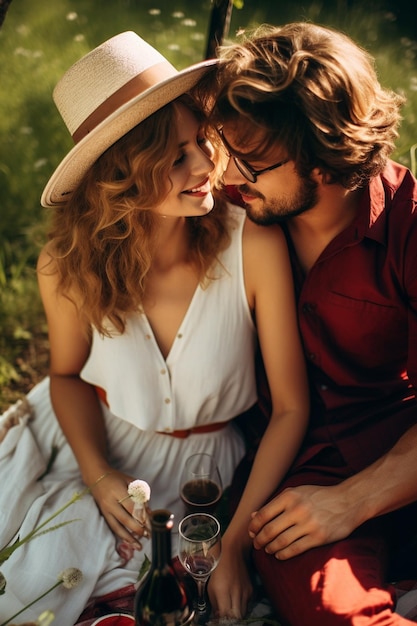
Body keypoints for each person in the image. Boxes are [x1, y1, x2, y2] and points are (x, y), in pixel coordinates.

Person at [0, 31, 309, 624]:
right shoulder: (65, 266)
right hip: (100, 448)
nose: (205, 167)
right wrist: (98, 476)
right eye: (174, 157)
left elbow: (292, 409)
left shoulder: (254, 243)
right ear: (121, 176)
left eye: (201, 140)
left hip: (211, 477)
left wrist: (236, 543)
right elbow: (65, 377)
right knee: (36, 586)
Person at [202, 20, 417, 626]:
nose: (231, 178)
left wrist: (354, 501)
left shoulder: (410, 227)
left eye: (253, 163)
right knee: (328, 606)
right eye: (230, 151)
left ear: (323, 163)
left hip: (401, 452)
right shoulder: (232, 212)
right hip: (298, 465)